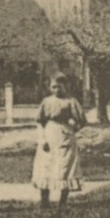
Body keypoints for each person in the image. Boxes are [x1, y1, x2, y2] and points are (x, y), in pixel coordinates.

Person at [32, 73, 87, 208]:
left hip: (65, 137)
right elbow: (39, 121)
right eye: (54, 87)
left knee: (65, 168)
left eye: (59, 87)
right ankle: (45, 202)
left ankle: (63, 202)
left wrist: (72, 126)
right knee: (46, 166)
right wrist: (42, 139)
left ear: (66, 86)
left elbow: (82, 121)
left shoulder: (71, 101)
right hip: (49, 135)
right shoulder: (46, 101)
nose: (57, 90)